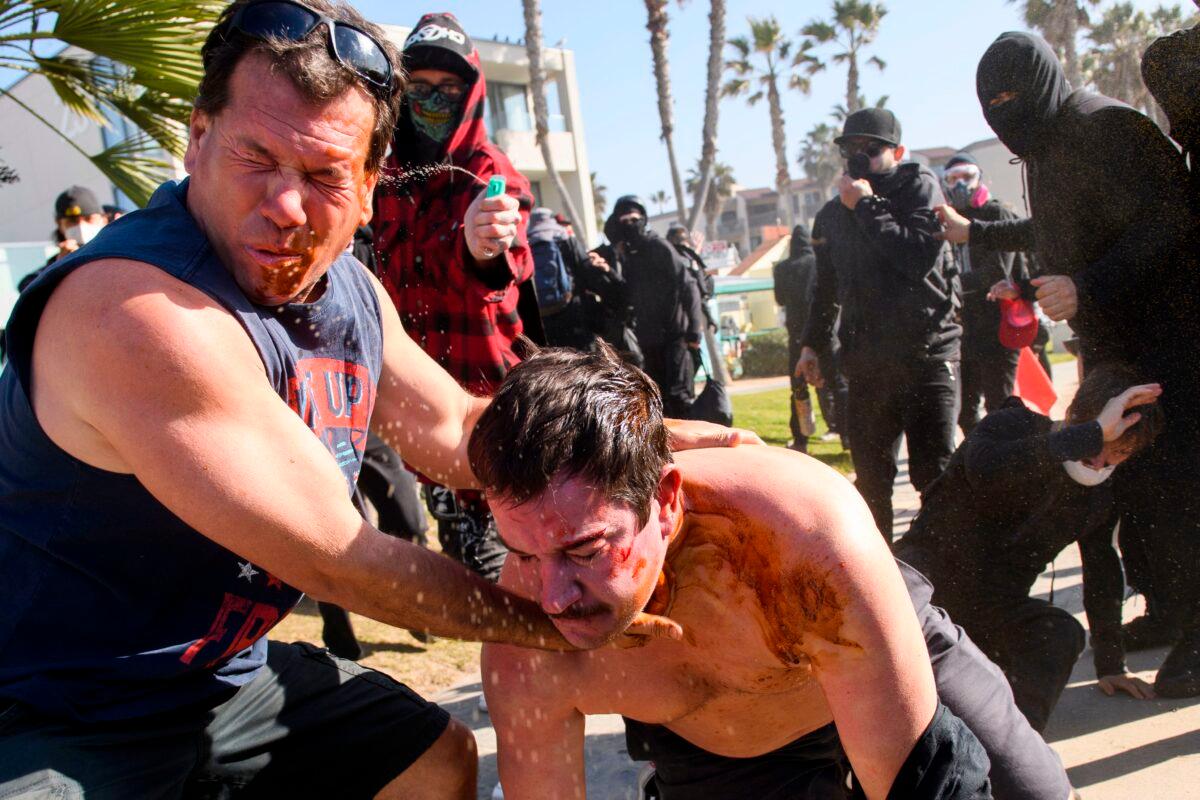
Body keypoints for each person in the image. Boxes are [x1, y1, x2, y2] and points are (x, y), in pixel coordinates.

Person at [0, 4, 727, 795]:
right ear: (198, 137)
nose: (286, 206)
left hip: (217, 682)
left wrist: (657, 444)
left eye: (322, 176)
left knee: (432, 761)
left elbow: (459, 431)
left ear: (372, 184)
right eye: (255, 156)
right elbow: (345, 562)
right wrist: (566, 623)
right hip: (51, 708)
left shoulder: (345, 288)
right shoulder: (135, 313)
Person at [473, 344, 1080, 800]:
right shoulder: (526, 645)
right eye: (522, 553)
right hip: (724, 749)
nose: (551, 598)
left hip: (873, 653)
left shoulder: (802, 540)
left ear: (663, 500)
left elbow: (917, 784)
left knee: (1036, 793)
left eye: (583, 551)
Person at [938, 31, 1200, 697]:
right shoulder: (1047, 146)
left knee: (1180, 493)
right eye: (991, 102)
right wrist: (1019, 274)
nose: (1004, 110)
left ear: (1046, 81)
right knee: (1137, 497)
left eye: (1012, 96)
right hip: (1116, 345)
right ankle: (1171, 611)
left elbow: (1169, 218)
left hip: (1171, 340)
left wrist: (1090, 284)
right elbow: (1061, 232)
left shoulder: (1102, 126)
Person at [896, 365, 1164, 732]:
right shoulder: (1011, 424)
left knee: (1060, 634)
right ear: (1075, 416)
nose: (1100, 460)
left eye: (1119, 452)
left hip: (987, 612)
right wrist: (1091, 435)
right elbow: (986, 469)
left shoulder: (1098, 495)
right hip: (916, 591)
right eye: (1099, 440)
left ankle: (1007, 749)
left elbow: (1101, 569)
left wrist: (1111, 663)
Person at [372, 12, 537, 584]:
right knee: (469, 564)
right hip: (425, 417)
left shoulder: (489, 174)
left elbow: (504, 260)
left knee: (512, 575)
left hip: (494, 415)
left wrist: (481, 244)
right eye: (418, 88)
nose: (434, 101)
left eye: (448, 89)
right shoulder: (384, 177)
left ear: (470, 94)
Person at [798, 108, 962, 540]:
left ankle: (941, 580)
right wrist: (812, 345)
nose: (859, 156)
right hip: (868, 365)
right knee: (871, 486)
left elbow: (916, 259)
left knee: (936, 479)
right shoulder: (833, 215)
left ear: (898, 151)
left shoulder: (918, 187)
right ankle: (881, 586)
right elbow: (826, 290)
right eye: (850, 148)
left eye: (871, 149)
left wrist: (867, 205)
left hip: (926, 358)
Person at [940, 152, 1032, 436]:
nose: (960, 185)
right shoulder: (949, 221)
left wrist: (948, 286)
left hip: (998, 327)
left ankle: (1009, 468)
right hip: (964, 328)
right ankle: (982, 468)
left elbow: (995, 275)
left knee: (1000, 406)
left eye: (967, 177)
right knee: (965, 412)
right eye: (953, 179)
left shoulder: (996, 213)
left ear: (980, 178)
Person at [593, 197, 704, 416]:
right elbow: (629, 292)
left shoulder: (658, 246)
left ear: (643, 219)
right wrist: (607, 271)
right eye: (623, 220)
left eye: (634, 219)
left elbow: (688, 285)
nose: (629, 224)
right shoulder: (629, 254)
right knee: (657, 396)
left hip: (675, 335)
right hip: (648, 338)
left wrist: (695, 328)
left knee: (678, 396)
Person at [773, 225, 817, 452]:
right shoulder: (816, 262)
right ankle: (847, 436)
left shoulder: (782, 268)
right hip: (819, 328)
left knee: (798, 388)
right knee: (835, 384)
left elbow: (780, 299)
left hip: (795, 332)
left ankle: (801, 438)